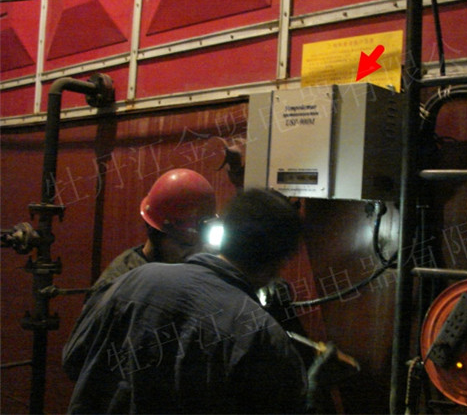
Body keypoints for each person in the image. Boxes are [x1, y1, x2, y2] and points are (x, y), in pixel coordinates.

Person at [62, 188, 336, 413]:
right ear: (277, 263)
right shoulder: (263, 336)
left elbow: (74, 360)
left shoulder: (135, 279)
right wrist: (314, 384)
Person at [88, 168, 217, 297]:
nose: (194, 253)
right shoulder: (118, 286)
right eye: (184, 245)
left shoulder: (205, 259)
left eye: (200, 242)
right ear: (154, 233)